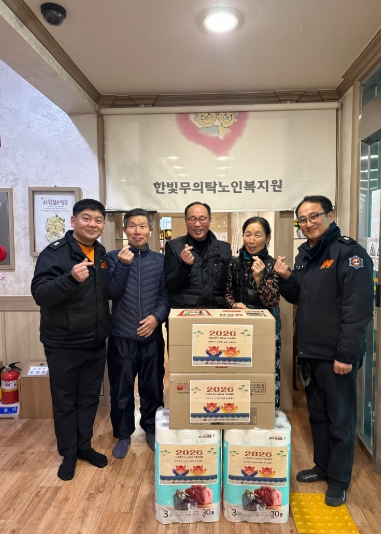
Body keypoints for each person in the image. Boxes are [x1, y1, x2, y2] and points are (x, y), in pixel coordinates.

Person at [274, 195, 373, 507]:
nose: (308, 223)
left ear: (330, 215)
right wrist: (287, 278)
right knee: (317, 414)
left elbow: (358, 310)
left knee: (340, 417)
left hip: (336, 355)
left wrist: (345, 354)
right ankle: (323, 465)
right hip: (311, 352)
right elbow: (299, 297)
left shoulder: (349, 253)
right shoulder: (305, 254)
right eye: (303, 219)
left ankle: (339, 479)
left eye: (314, 216)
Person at [31, 199, 111, 481]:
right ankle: (68, 453)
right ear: (73, 221)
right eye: (86, 218)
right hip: (63, 343)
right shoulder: (55, 253)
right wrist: (70, 278)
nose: (92, 224)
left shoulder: (100, 252)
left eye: (98, 220)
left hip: (95, 342)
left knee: (88, 399)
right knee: (65, 401)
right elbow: (40, 294)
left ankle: (84, 446)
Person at [107, 208, 169, 457]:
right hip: (122, 335)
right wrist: (123, 265)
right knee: (120, 390)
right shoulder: (113, 257)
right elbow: (111, 292)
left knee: (152, 388)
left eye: (142, 226)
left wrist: (156, 318)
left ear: (151, 230)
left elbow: (166, 296)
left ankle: (151, 429)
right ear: (125, 229)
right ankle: (123, 434)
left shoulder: (161, 261)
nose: (137, 231)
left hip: (151, 336)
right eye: (132, 226)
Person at [225, 216, 281, 408]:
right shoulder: (234, 263)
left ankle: (267, 412)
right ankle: (239, 412)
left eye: (258, 235)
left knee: (265, 374)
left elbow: (272, 301)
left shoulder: (273, 265)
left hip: (266, 330)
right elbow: (227, 293)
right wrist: (234, 305)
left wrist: (259, 279)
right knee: (239, 374)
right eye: (248, 234)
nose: (251, 240)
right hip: (239, 328)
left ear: (267, 238)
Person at [165, 201, 232, 308]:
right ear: (186, 221)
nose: (197, 224)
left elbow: (230, 286)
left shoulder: (225, 248)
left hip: (217, 311)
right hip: (185, 312)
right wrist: (184, 266)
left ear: (209, 220)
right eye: (192, 219)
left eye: (202, 219)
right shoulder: (173, 246)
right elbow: (170, 285)